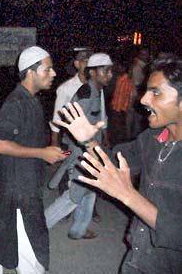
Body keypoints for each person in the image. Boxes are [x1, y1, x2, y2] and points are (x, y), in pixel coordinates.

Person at [56, 55, 182, 273]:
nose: (143, 100)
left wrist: (128, 195)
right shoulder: (152, 138)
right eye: (147, 91)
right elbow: (113, 162)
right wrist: (88, 140)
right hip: (137, 257)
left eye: (156, 92)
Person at [0, 46, 67, 273]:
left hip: (18, 188)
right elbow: (0, 144)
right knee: (30, 258)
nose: (54, 73)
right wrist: (41, 153)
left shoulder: (30, 100)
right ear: (31, 72)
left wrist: (47, 151)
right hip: (18, 195)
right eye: (48, 69)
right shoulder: (16, 102)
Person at [45, 53, 113, 239]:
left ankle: (78, 230)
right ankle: (39, 228)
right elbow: (74, 125)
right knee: (73, 195)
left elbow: (98, 119)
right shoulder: (86, 93)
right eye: (105, 70)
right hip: (81, 151)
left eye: (110, 70)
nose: (110, 74)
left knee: (89, 190)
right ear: (92, 72)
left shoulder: (96, 91)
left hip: (90, 150)